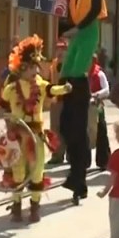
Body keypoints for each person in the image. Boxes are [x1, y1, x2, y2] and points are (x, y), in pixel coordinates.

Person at [0, 36, 72, 222]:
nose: (35, 70)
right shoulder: (11, 87)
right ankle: (16, 207)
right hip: (16, 136)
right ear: (22, 68)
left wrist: (66, 88)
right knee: (18, 172)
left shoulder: (41, 84)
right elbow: (2, 104)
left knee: (37, 171)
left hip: (36, 136)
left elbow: (53, 90)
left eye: (36, 67)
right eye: (31, 67)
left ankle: (35, 207)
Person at [60, 0, 108, 204]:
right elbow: (71, 11)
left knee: (77, 72)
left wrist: (79, 29)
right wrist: (66, 28)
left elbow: (93, 9)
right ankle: (68, 94)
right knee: (66, 70)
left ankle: (79, 95)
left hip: (88, 29)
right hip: (78, 29)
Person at [47, 38, 69, 166]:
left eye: (63, 49)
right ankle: (57, 155)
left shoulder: (70, 64)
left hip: (68, 101)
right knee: (54, 130)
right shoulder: (53, 65)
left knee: (69, 129)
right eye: (58, 49)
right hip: (55, 101)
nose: (60, 52)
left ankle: (71, 155)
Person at [89, 54, 111, 170]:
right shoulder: (81, 73)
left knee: (101, 133)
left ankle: (104, 161)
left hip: (97, 107)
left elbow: (107, 90)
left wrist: (96, 95)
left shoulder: (100, 74)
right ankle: (83, 162)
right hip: (83, 107)